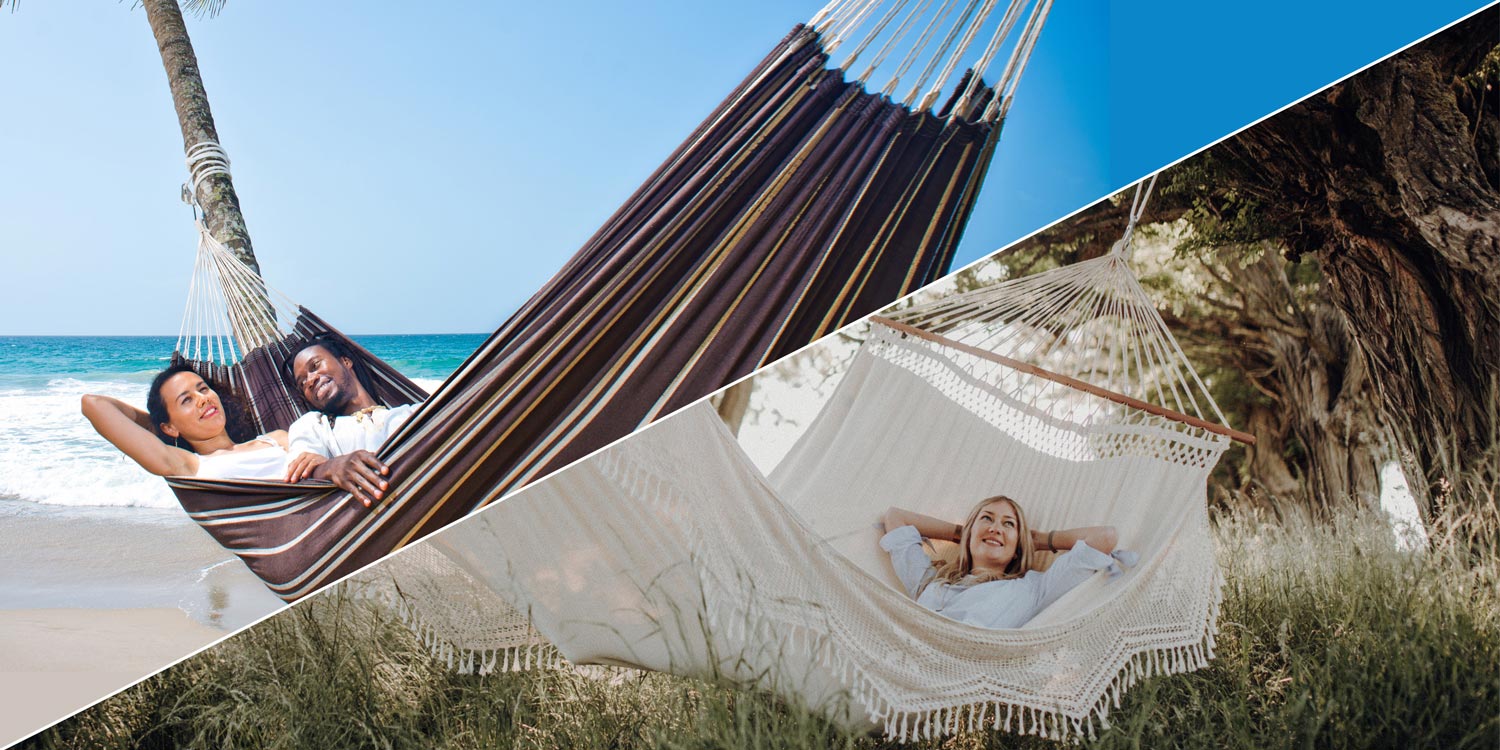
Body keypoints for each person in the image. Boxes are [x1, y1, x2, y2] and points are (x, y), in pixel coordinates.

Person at [879, 496, 1136, 630]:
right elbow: (895, 517)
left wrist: (1037, 540)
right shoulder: (929, 580)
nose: (996, 528)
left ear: (1018, 546)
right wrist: (967, 532)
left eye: (1008, 524)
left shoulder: (1033, 588)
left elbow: (1104, 537)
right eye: (987, 519)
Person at [81, 364, 288, 479]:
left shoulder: (275, 438)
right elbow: (93, 404)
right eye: (187, 400)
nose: (203, 399)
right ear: (169, 427)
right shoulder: (189, 466)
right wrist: (161, 426)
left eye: (203, 389)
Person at [281, 335, 419, 506]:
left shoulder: (411, 413)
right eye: (302, 383)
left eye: (315, 366)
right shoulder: (314, 425)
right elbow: (299, 473)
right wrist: (332, 468)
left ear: (346, 362)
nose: (310, 380)